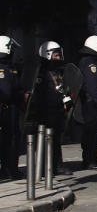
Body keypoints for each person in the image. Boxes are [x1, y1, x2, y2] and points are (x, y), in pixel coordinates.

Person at [33, 41, 73, 175]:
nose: (58, 58)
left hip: (57, 110)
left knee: (56, 139)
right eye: (55, 55)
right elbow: (40, 94)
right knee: (47, 139)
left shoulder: (55, 71)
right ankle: (46, 167)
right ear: (48, 54)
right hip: (48, 111)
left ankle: (56, 165)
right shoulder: (42, 72)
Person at [77, 36, 97, 170]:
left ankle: (94, 157)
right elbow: (93, 86)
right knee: (90, 132)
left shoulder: (86, 61)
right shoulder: (91, 64)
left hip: (90, 101)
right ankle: (88, 160)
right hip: (91, 103)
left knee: (94, 132)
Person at [0, 36, 25, 180]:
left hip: (13, 109)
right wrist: (20, 96)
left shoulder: (10, 67)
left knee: (14, 138)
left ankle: (12, 168)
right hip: (7, 110)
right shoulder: (2, 68)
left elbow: (18, 86)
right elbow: (7, 92)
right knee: (7, 140)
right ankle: (6, 169)